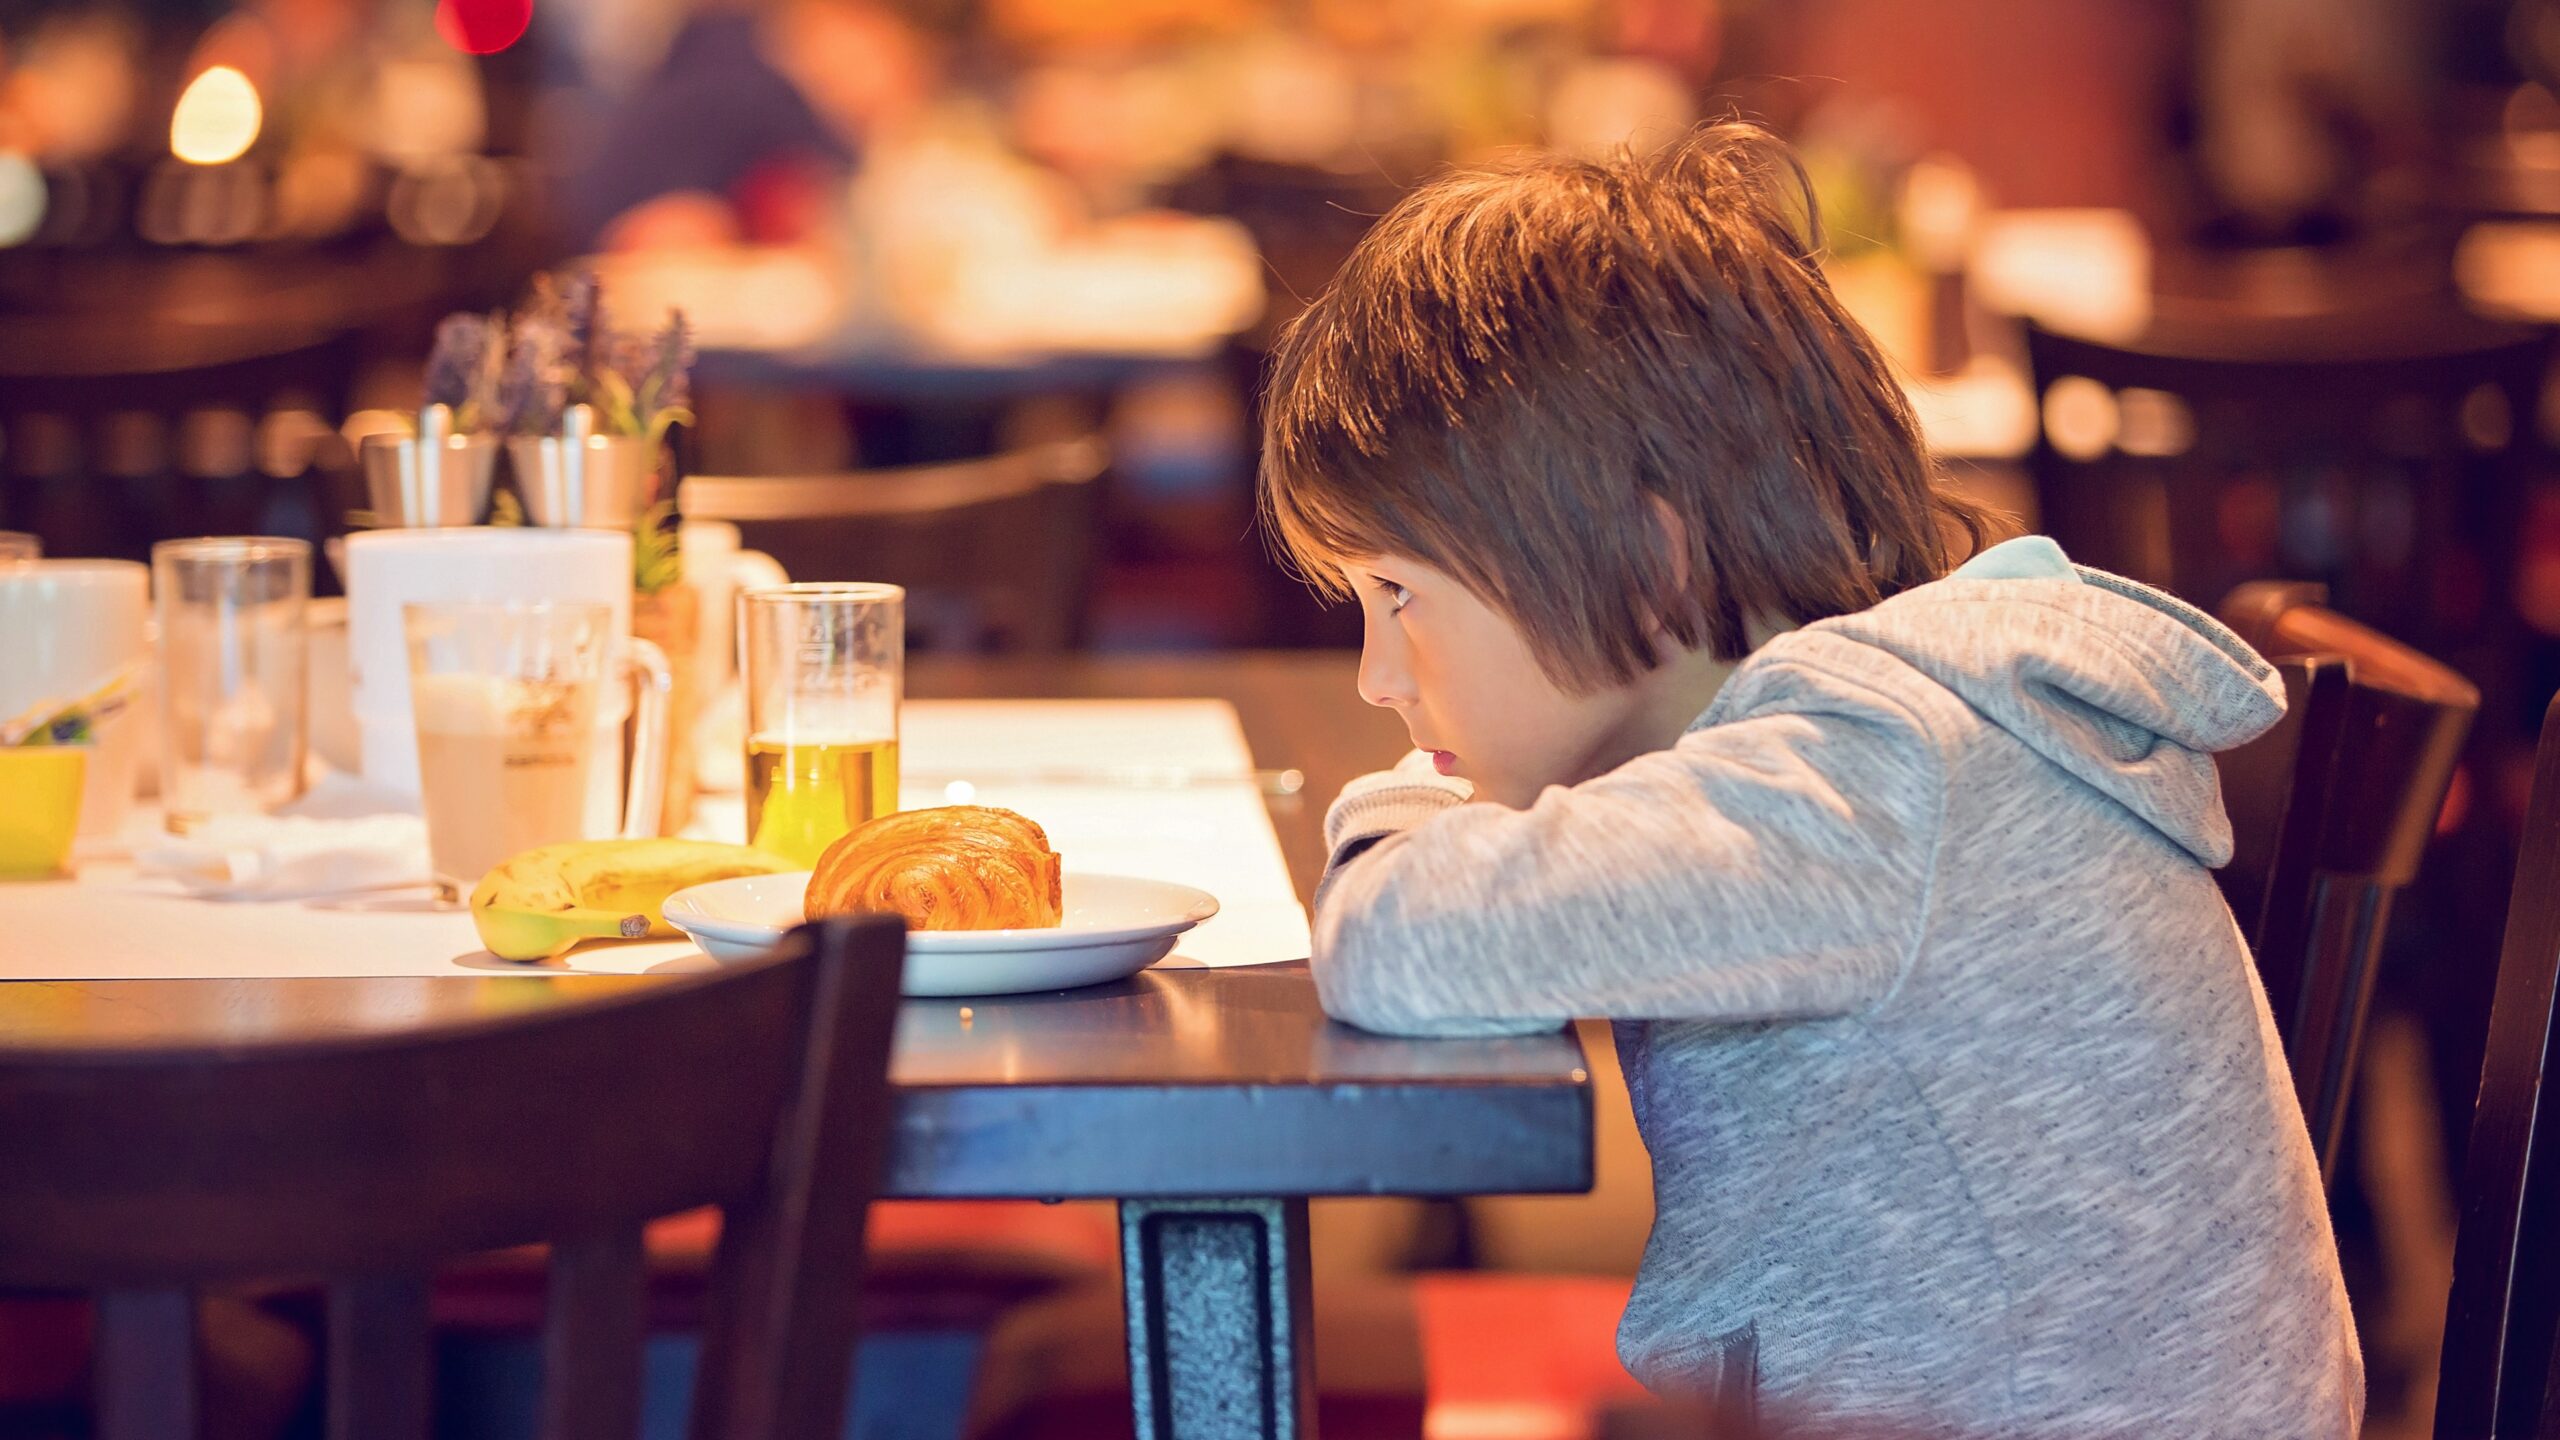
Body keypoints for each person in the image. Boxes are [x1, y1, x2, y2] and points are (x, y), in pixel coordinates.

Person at [1260, 122, 2362, 1436]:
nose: (1382, 675)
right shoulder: (1924, 723)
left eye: (1397, 594)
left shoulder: (1865, 775)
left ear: (1644, 553)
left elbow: (1398, 944)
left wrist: (1402, 812)